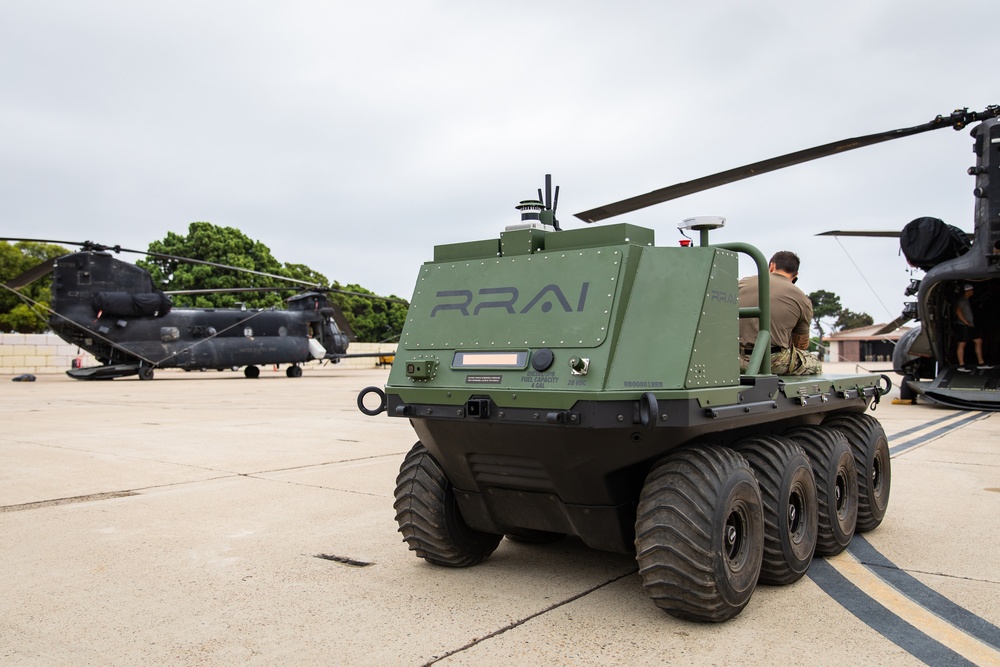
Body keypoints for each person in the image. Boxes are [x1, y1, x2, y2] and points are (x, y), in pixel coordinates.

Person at [738, 251, 822, 375]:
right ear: (796, 274)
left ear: (772, 266)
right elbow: (801, 345)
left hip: (733, 359)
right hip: (770, 362)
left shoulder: (742, 283)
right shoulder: (802, 299)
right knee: (815, 363)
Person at [955, 283, 991, 371]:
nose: (973, 292)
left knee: (978, 341)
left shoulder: (967, 300)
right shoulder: (962, 300)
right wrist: (966, 322)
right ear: (968, 291)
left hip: (970, 325)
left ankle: (981, 363)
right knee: (962, 343)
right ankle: (961, 365)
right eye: (971, 290)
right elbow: (958, 311)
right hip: (964, 326)